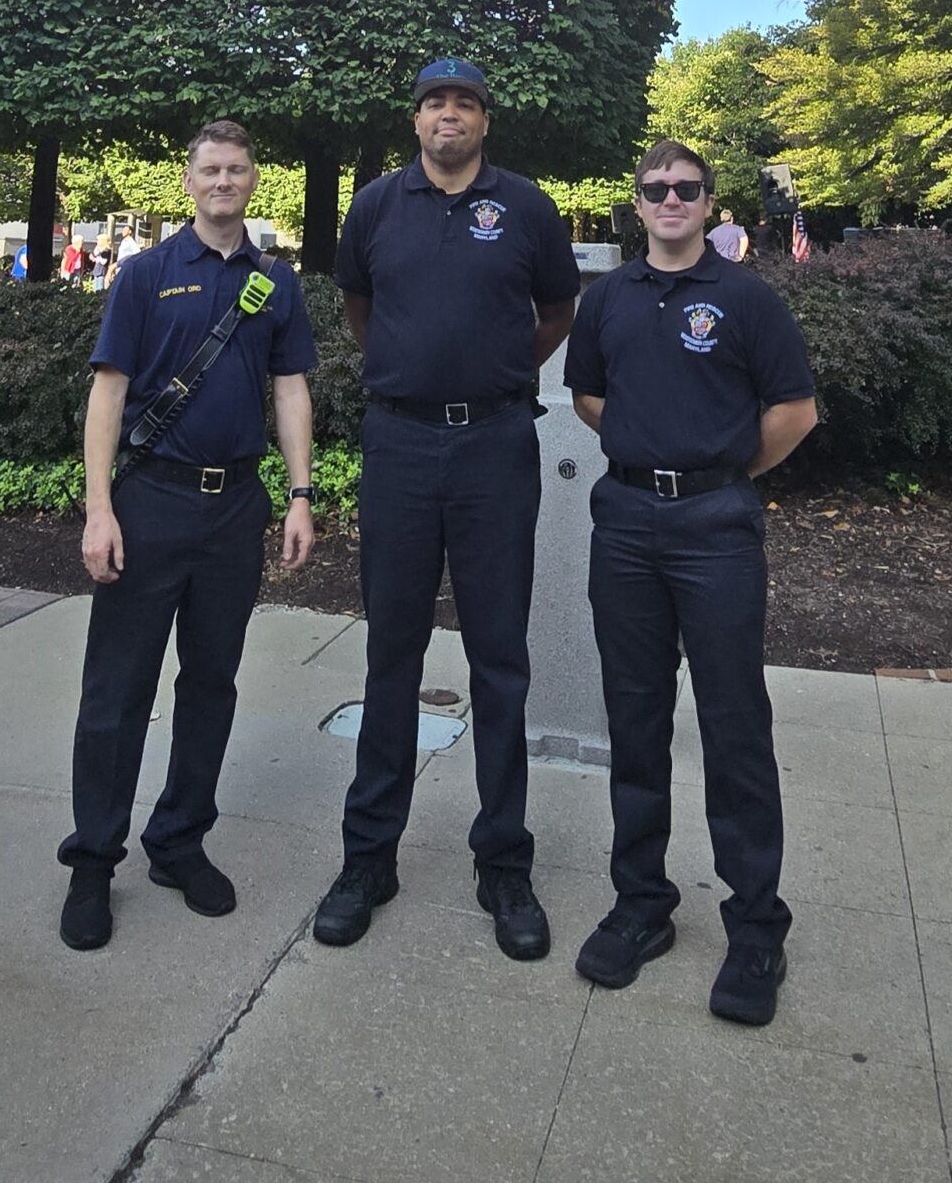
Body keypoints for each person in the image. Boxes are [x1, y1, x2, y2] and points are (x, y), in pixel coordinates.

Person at [312, 58, 580, 963]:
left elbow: (556, 310)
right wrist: (413, 378)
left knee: (499, 655)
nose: (448, 116)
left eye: (464, 103)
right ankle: (369, 859)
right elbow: (361, 308)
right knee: (392, 650)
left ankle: (503, 862)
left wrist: (493, 370)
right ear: (417, 118)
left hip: (497, 446)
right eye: (435, 103)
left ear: (483, 121)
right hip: (398, 446)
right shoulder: (377, 207)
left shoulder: (528, 208)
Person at [566, 138, 818, 1027]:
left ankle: (755, 926)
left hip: (717, 529)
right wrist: (653, 451)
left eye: (687, 189)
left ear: (708, 204)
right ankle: (641, 905)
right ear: (635, 204)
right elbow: (590, 398)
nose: (671, 200)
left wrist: (719, 470)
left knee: (733, 723)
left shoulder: (746, 299)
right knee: (633, 719)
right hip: (627, 524)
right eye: (655, 189)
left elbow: (794, 411)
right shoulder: (607, 302)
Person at [57, 120, 317, 952]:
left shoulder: (276, 285)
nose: (223, 182)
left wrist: (300, 496)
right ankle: (94, 859)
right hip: (152, 504)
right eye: (210, 169)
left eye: (237, 170)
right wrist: (99, 507)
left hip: (235, 508)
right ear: (187, 180)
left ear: (252, 181)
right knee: (118, 691)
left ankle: (178, 841)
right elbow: (107, 396)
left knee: (211, 683)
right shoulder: (143, 276)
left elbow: (290, 391)